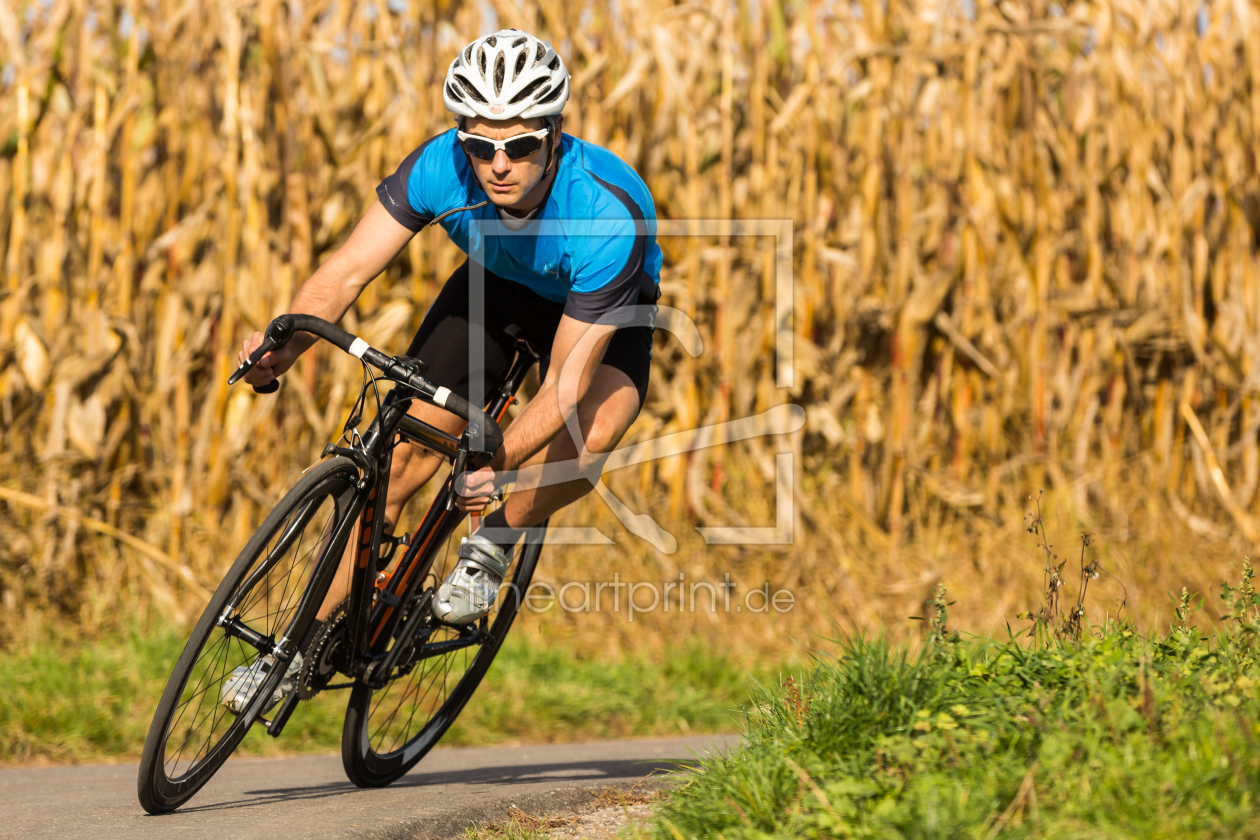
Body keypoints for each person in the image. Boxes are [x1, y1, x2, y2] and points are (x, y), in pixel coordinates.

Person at [220, 29, 661, 713]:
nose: (499, 165)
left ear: (555, 134)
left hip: (598, 305)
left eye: (520, 145)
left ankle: (495, 542)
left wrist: (498, 464)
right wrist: (287, 342)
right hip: (496, 289)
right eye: (481, 146)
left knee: (593, 431)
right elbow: (345, 271)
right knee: (399, 464)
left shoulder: (605, 214)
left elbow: (564, 387)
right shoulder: (440, 170)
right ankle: (293, 650)